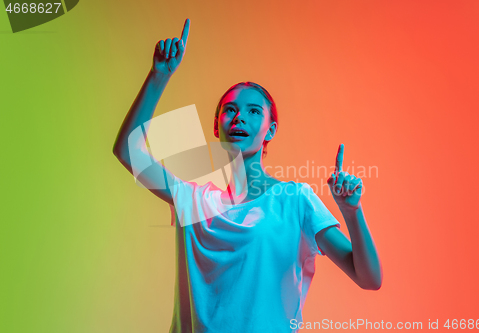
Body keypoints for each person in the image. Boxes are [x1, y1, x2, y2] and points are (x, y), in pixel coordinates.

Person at [112, 18, 382, 333]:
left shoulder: (295, 200)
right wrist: (159, 76)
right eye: (230, 110)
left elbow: (369, 278)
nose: (240, 117)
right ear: (217, 127)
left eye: (254, 111)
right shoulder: (193, 200)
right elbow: (127, 151)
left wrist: (352, 212)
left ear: (271, 129)